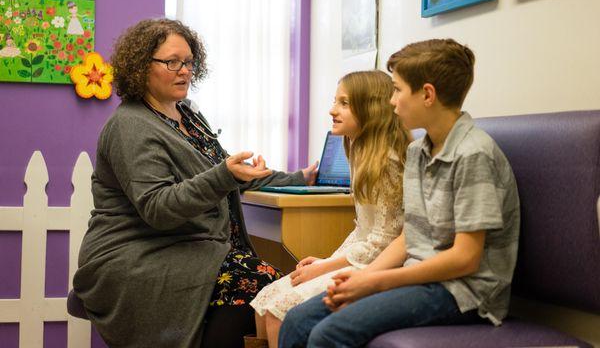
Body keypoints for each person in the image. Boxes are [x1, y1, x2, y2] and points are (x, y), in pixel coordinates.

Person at [72, 18, 317, 348]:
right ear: (141, 66)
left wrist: (300, 178)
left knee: (270, 287)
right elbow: (158, 208)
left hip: (189, 248)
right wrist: (224, 175)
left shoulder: (187, 114)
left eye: (188, 62)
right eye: (172, 62)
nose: (184, 70)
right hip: (134, 254)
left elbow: (230, 174)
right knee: (257, 285)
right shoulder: (130, 126)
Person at [279, 39, 521, 348]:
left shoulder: (473, 154)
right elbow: (410, 235)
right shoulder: (419, 151)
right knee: (297, 321)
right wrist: (363, 277)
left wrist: (376, 280)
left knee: (329, 333)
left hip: (463, 292)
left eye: (397, 90)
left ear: (427, 95)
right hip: (418, 279)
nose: (392, 102)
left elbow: (466, 258)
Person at [248, 70, 412, 347]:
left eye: (344, 103)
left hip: (379, 265)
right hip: (360, 257)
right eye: (335, 101)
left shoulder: (388, 161)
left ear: (370, 108)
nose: (332, 110)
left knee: (279, 313)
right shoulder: (360, 152)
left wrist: (327, 266)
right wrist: (327, 262)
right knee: (263, 302)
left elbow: (383, 240)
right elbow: (362, 229)